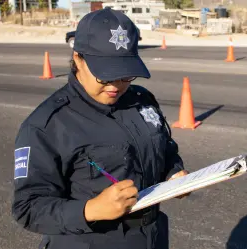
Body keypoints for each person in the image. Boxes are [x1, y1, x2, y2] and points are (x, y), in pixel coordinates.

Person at [11, 7, 190, 249]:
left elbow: (164, 147)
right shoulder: (47, 124)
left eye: (126, 76)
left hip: (151, 236)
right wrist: (90, 209)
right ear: (78, 59)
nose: (116, 86)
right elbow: (28, 208)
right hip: (90, 241)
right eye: (105, 77)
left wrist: (174, 172)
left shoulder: (141, 100)